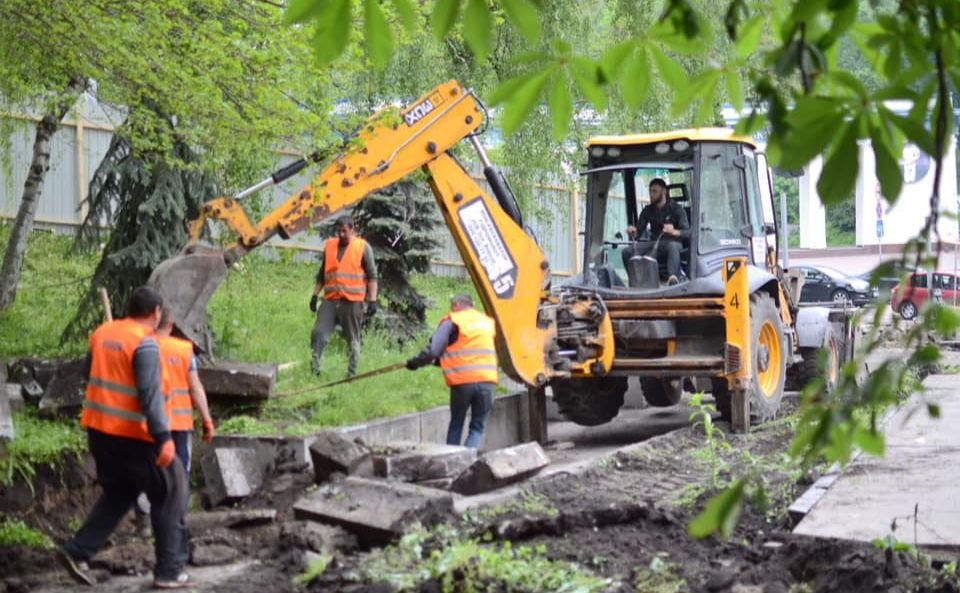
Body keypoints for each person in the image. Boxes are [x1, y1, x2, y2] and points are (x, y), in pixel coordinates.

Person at [60, 287, 190, 589]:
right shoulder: (145, 343)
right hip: (134, 436)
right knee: (171, 491)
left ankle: (77, 550)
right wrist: (164, 438)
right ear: (156, 313)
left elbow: (87, 372)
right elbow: (150, 394)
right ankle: (170, 571)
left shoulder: (103, 333)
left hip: (99, 431)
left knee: (120, 492)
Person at [405, 294, 498, 449]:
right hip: (488, 381)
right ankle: (467, 462)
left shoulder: (452, 321)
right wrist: (440, 362)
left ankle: (452, 460)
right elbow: (471, 352)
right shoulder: (487, 322)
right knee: (477, 428)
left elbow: (434, 350)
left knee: (456, 423)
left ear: (456, 305)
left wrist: (415, 363)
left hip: (463, 382)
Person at [309, 215, 378, 377]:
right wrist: (314, 296)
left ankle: (351, 374)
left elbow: (372, 275)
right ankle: (314, 370)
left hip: (352, 302)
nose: (340, 235)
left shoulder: (362, 247)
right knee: (318, 333)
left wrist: (372, 300)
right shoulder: (330, 246)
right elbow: (322, 275)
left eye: (344, 231)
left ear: (352, 230)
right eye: (338, 231)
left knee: (352, 339)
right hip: (331, 300)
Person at [623, 178, 690, 285]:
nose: (651, 194)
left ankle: (672, 279)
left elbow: (688, 233)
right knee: (627, 251)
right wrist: (633, 232)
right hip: (654, 243)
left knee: (672, 246)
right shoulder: (648, 210)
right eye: (650, 191)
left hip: (673, 243)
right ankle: (635, 281)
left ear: (664, 192)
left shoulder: (677, 209)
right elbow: (638, 233)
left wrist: (673, 231)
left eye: (654, 191)